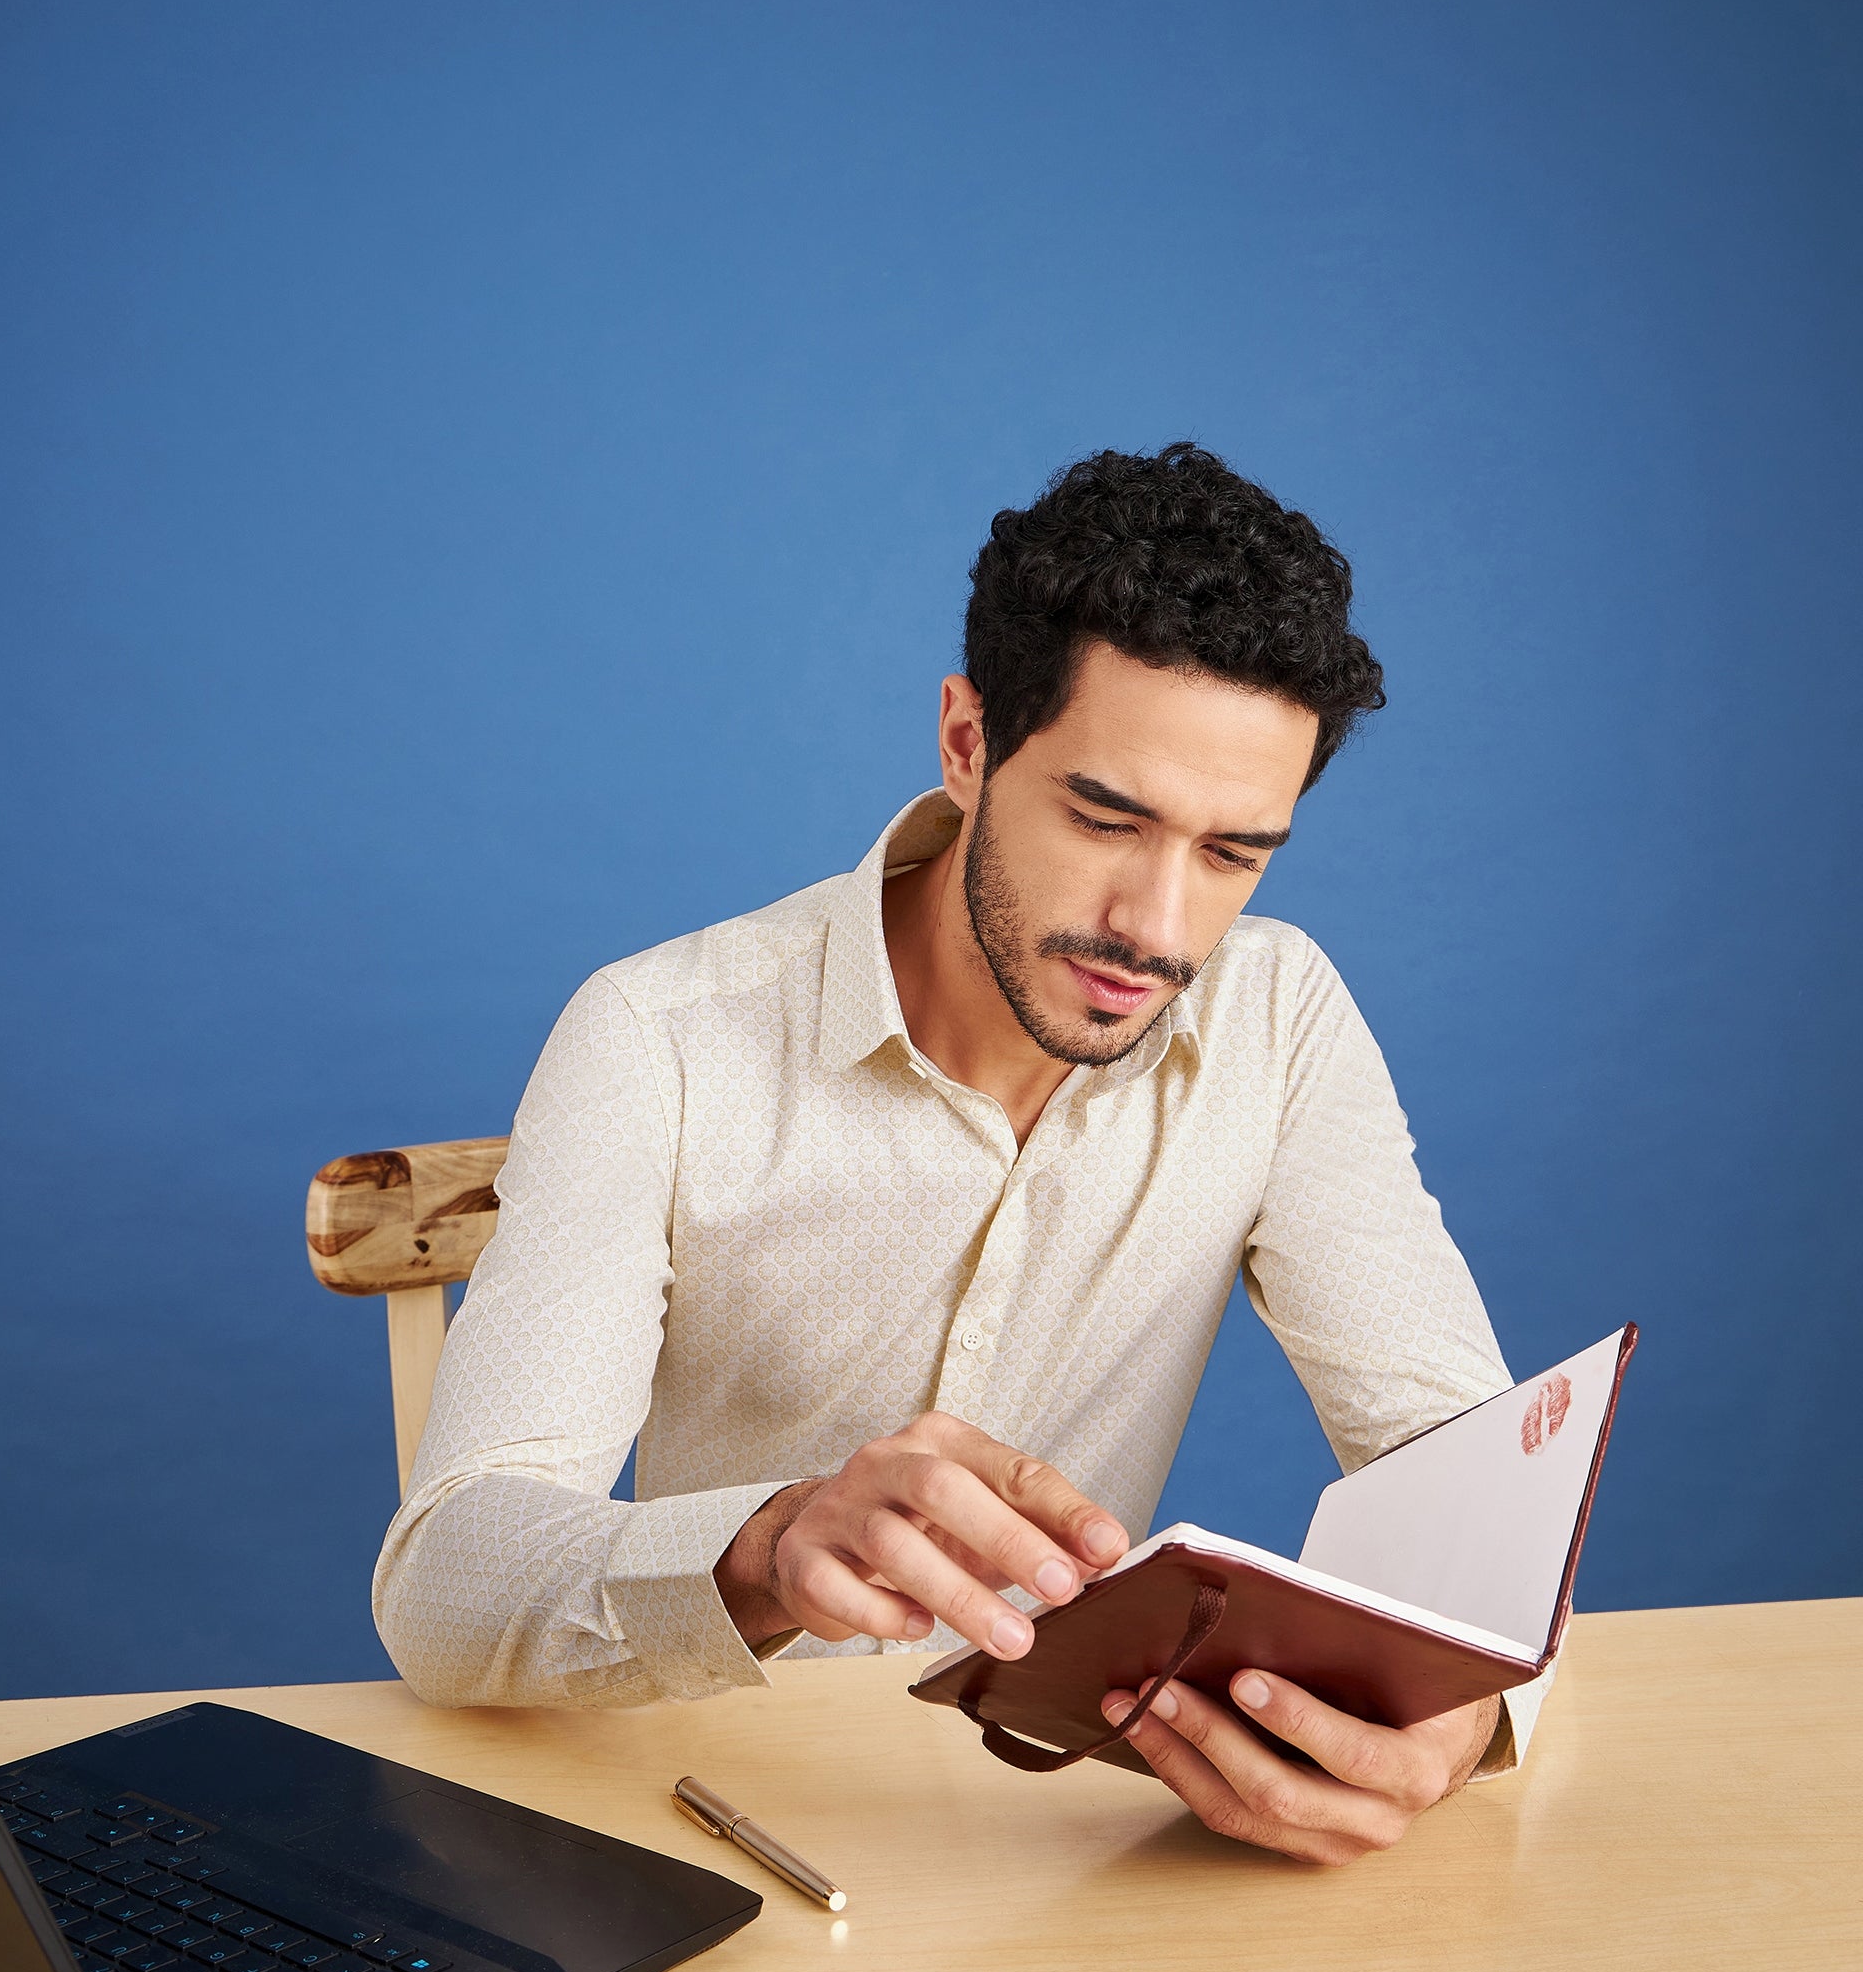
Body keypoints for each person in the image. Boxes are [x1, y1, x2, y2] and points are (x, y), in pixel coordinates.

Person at [375, 443, 1537, 1866]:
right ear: (967, 741)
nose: (1158, 928)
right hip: (706, 1818)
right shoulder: (657, 1039)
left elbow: (1471, 1484)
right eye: (1105, 819)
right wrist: (768, 1549)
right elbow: (446, 1578)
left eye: (1234, 854)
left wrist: (1461, 1718)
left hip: (1055, 1845)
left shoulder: (1279, 1020)